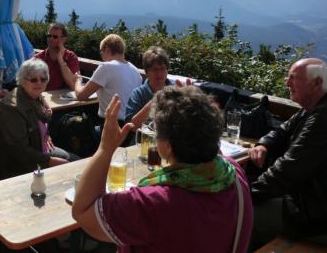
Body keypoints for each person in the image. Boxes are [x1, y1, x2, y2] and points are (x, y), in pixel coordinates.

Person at [72, 87, 253, 253]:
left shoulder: (153, 203)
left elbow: (83, 211)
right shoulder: (234, 173)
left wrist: (105, 148)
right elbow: (213, 151)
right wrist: (195, 110)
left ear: (166, 146)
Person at [249, 58, 327, 247]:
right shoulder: (312, 108)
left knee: (238, 213)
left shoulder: (323, 118)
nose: (286, 82)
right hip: (308, 202)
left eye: (293, 77)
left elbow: (288, 170)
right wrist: (264, 144)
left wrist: (245, 194)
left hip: (315, 217)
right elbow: (283, 129)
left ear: (316, 83)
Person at [0, 58, 77, 180]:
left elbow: (40, 121)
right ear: (22, 81)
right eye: (33, 80)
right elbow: (19, 151)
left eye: (43, 79)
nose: (39, 83)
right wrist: (49, 161)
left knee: (76, 163)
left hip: (38, 148)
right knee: (73, 169)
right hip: (12, 165)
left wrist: (45, 135)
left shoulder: (35, 96)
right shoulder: (12, 109)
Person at [75, 34, 142, 127]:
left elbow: (81, 96)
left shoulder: (106, 67)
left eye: (101, 52)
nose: (101, 56)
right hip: (130, 127)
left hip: (110, 126)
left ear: (107, 49)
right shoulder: (136, 72)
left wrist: (77, 81)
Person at [125, 46, 174, 128]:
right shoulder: (138, 94)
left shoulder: (175, 90)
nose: (159, 73)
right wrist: (156, 99)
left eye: (162, 69)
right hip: (145, 139)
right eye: (155, 70)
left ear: (167, 70)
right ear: (146, 72)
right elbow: (131, 126)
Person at [34, 23, 80, 91]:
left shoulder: (71, 57)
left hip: (66, 99)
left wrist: (61, 60)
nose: (51, 38)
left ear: (63, 39)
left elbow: (74, 85)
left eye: (55, 36)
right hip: (43, 98)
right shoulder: (38, 58)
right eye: (49, 36)